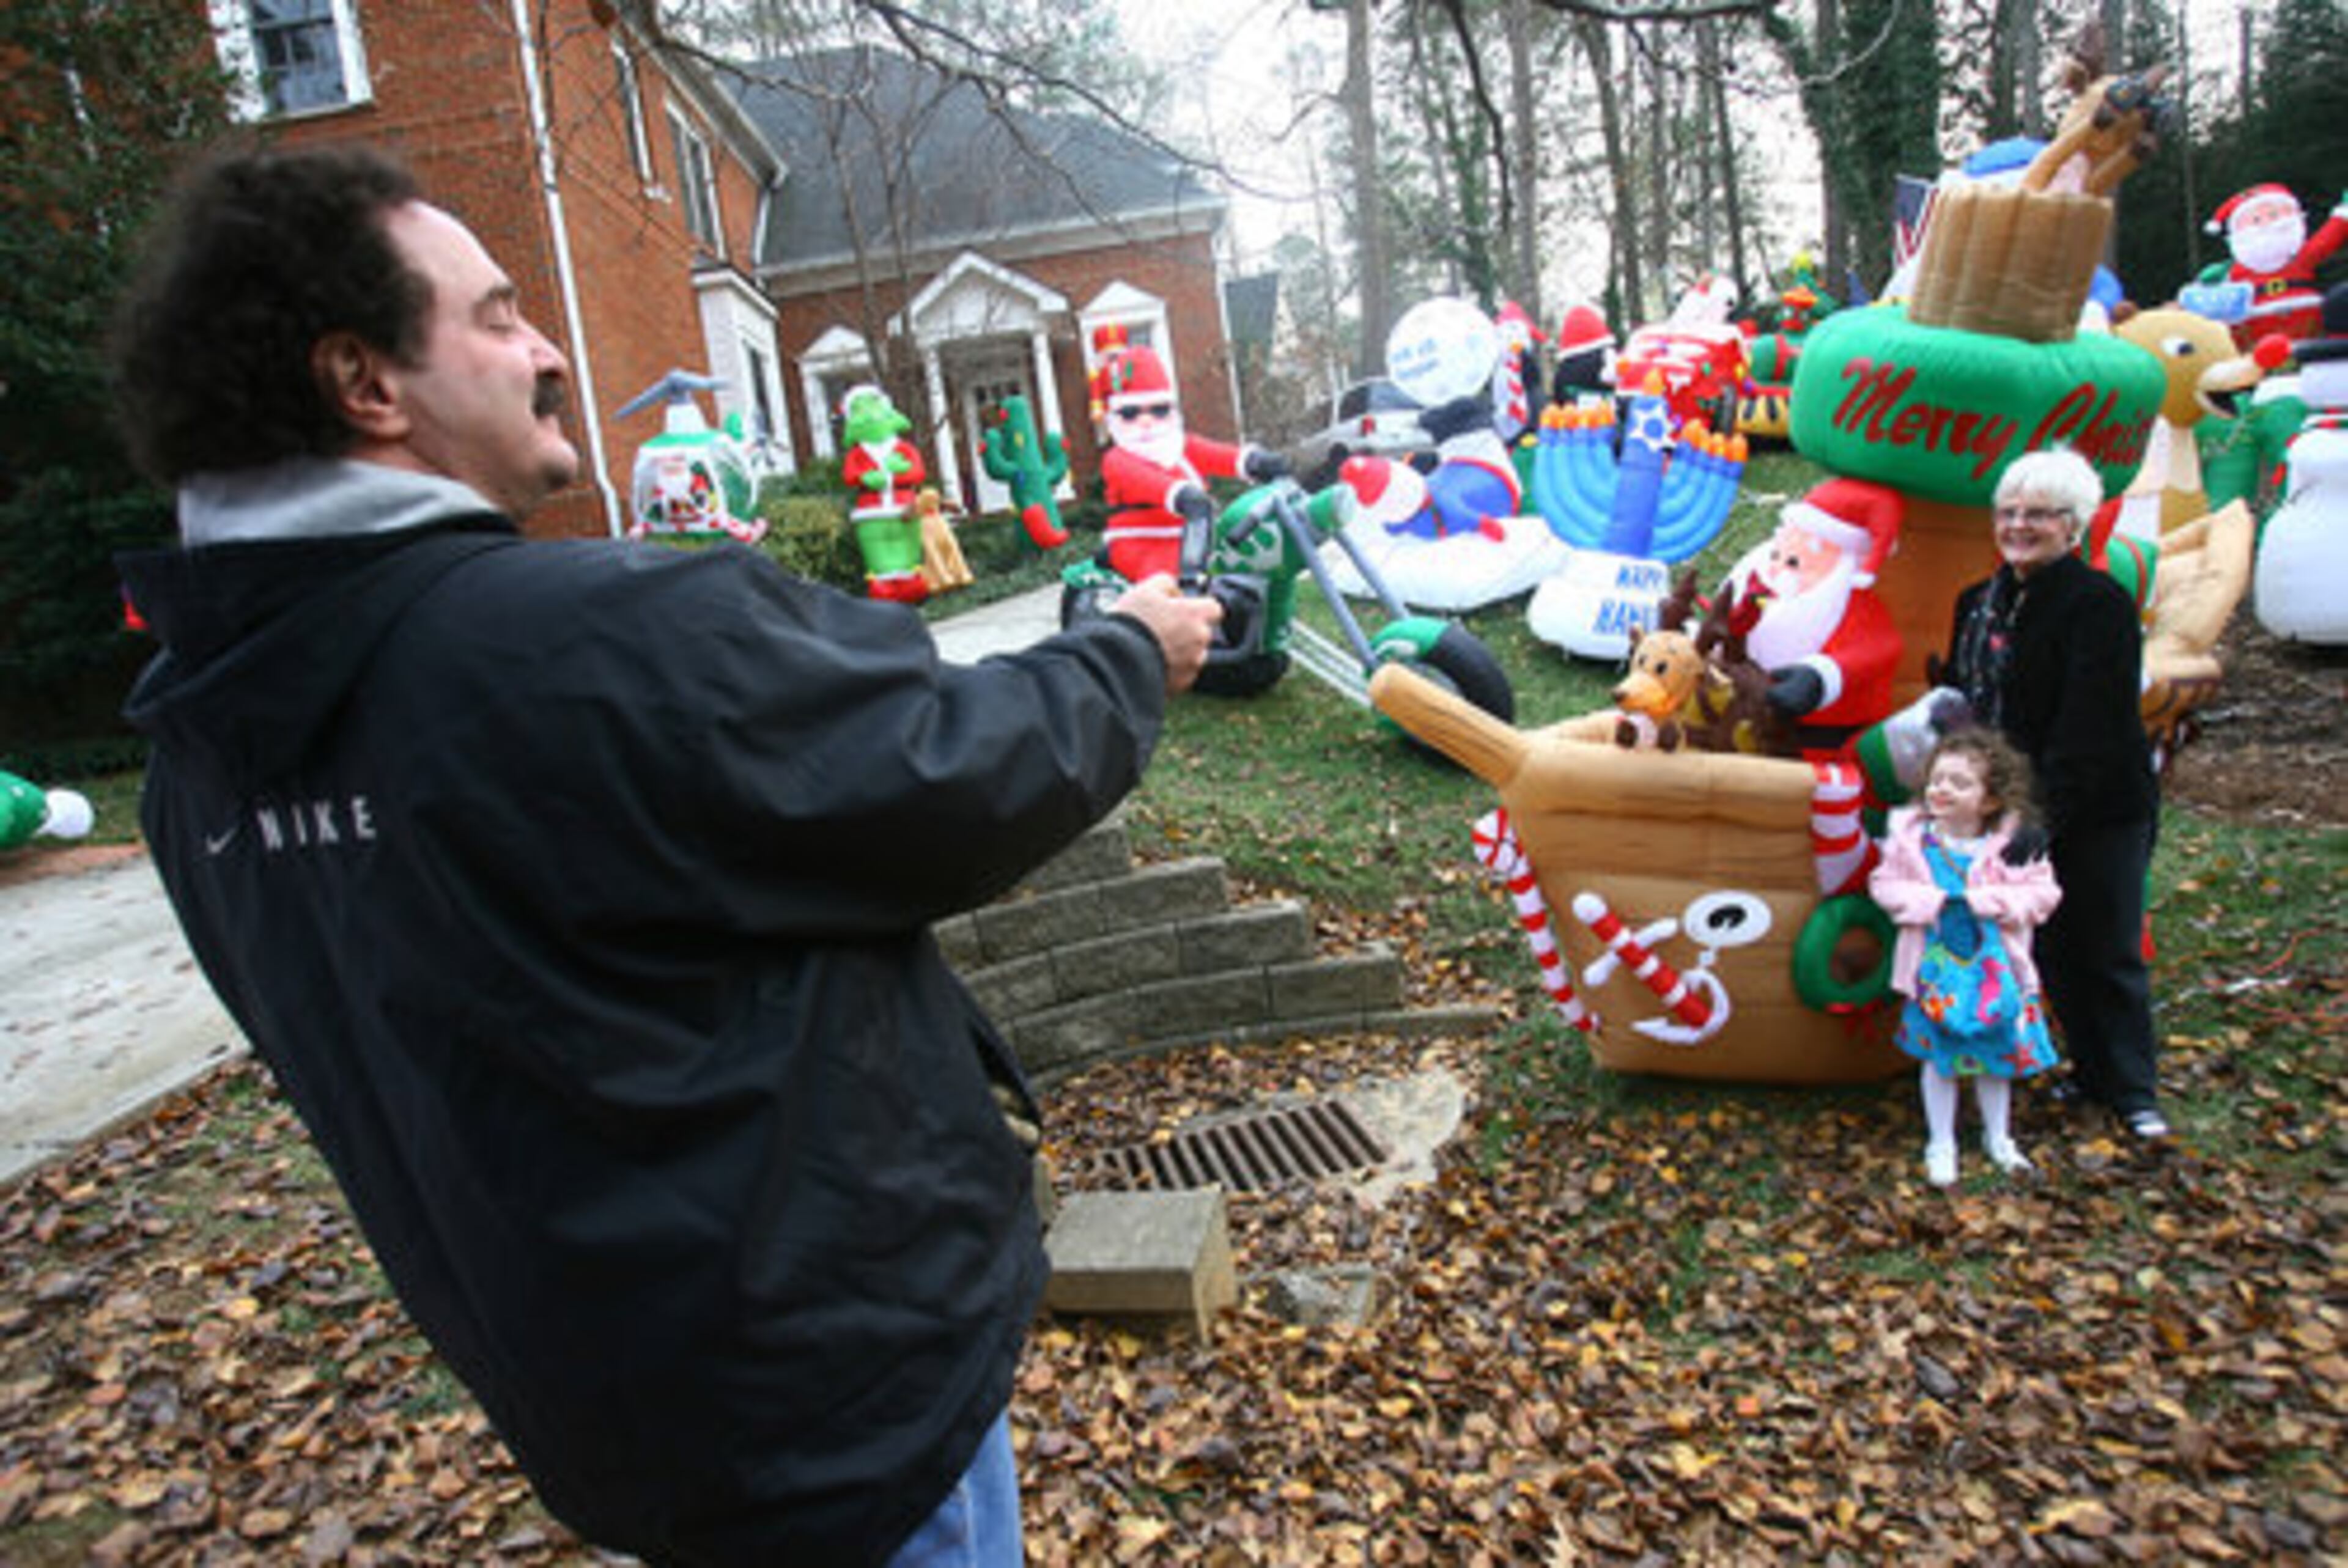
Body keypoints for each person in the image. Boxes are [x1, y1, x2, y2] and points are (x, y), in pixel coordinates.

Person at [107, 143, 1222, 1568]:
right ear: (366, 383)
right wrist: (1129, 648)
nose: (549, 348)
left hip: (618, 1433)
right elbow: (950, 767)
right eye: (498, 315)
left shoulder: (190, 770)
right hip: (845, 1415)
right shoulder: (595, 637)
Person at [1940, 447, 2168, 1143]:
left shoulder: (2097, 604)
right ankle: (2085, 1070)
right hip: (2007, 803)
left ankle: (2132, 1091)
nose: (2018, 525)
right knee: (2049, 950)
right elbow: (1964, 697)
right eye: (2008, 513)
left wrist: (2042, 813)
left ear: (2073, 526)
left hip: (2097, 804)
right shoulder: (1977, 603)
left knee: (2107, 943)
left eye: (2038, 515)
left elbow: (2091, 724)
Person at [1870, 730, 2062, 1186]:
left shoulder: (2012, 846)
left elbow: (2043, 893)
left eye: (1959, 783)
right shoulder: (1910, 840)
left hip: (1996, 974)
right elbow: (1885, 884)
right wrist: (1931, 902)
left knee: (1997, 1056)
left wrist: (1992, 901)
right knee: (1940, 1058)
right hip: (1934, 972)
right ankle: (1941, 1141)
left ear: (1990, 799)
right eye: (1937, 779)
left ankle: (2000, 1138)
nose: (1942, 790)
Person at [1095, 342, 1285, 584]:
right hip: (1142, 540)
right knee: (1167, 584)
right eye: (1131, 413)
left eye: (1159, 410)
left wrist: (1255, 461)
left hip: (1196, 535)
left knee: (1249, 564)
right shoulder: (1118, 460)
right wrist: (1181, 494)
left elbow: (1218, 455)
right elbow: (1147, 482)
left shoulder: (1180, 445)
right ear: (1116, 417)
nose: (1146, 421)